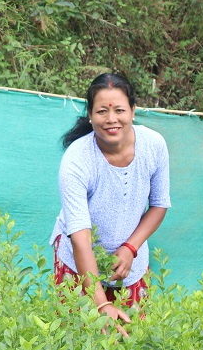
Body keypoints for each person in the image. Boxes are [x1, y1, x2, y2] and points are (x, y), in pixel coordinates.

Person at [50, 72, 170, 331]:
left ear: (133, 111)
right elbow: (80, 237)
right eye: (102, 111)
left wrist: (130, 248)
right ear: (90, 115)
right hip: (78, 260)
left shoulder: (154, 146)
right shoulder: (77, 160)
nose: (111, 119)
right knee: (82, 338)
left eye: (119, 110)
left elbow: (159, 205)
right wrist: (101, 305)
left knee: (131, 339)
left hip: (131, 262)